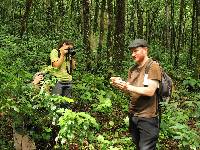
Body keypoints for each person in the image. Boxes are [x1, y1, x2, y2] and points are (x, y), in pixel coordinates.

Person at [110, 39, 161, 150]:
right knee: (137, 145)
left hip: (148, 118)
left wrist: (128, 86)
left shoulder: (153, 66)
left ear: (145, 50)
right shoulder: (132, 69)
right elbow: (130, 91)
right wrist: (120, 85)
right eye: (131, 52)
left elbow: (150, 91)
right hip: (133, 115)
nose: (133, 54)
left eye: (135, 51)